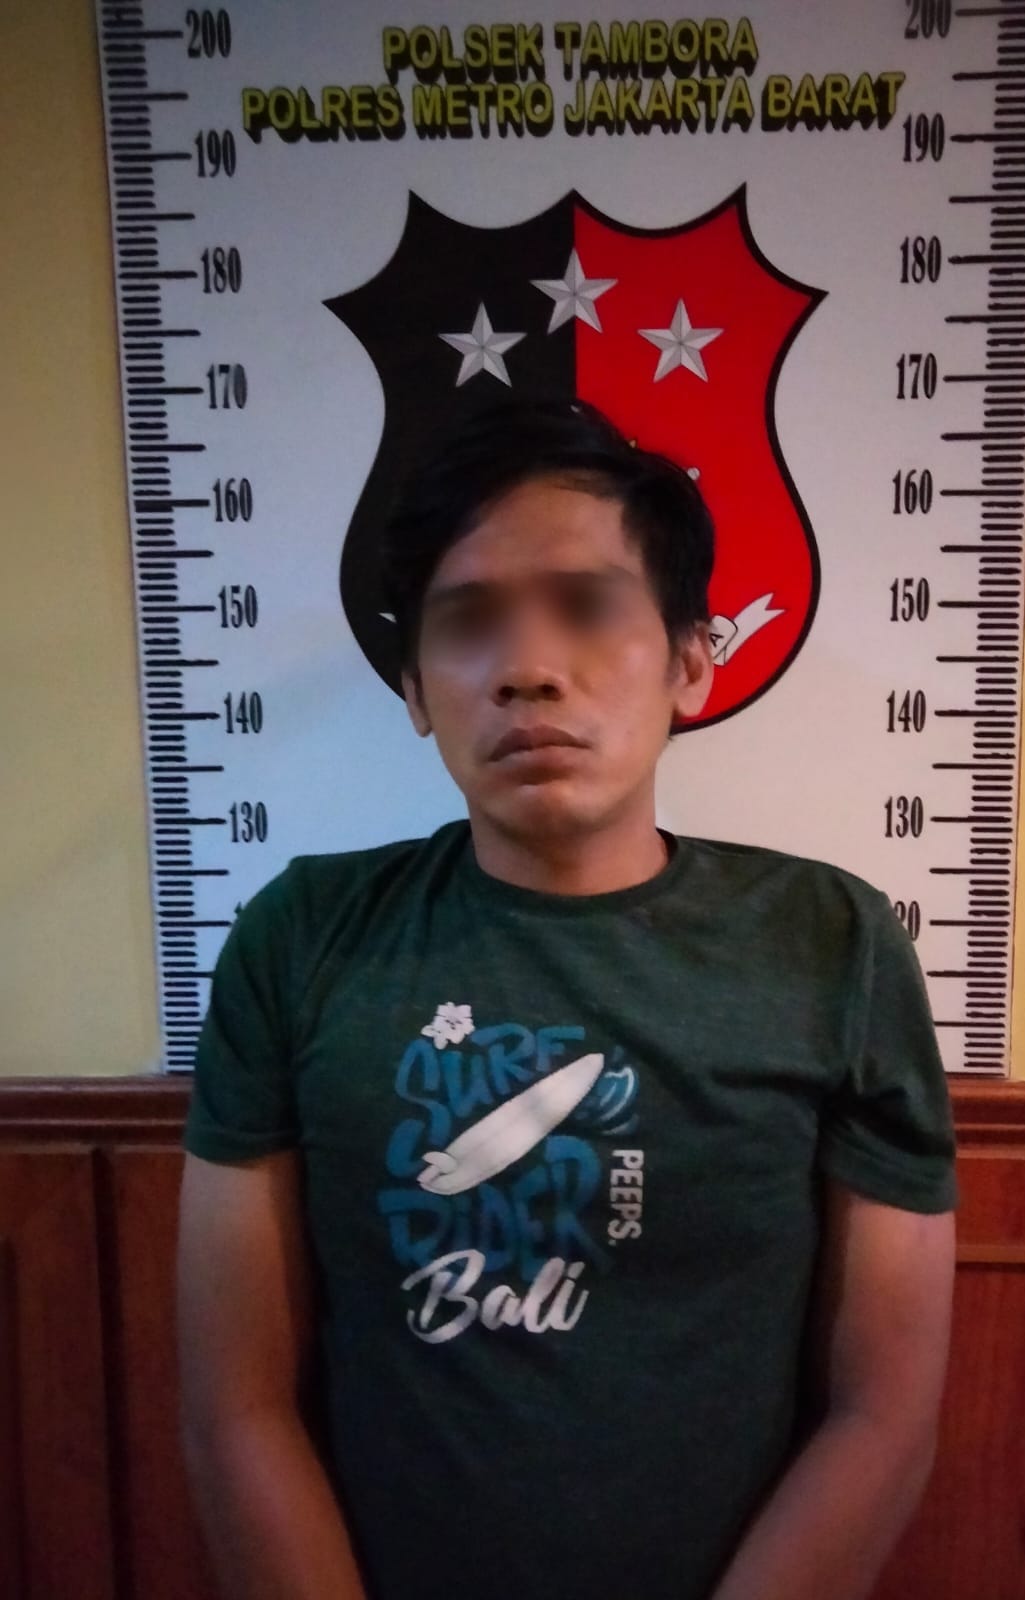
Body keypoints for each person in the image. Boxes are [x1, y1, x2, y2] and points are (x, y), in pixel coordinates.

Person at [176, 398, 957, 1600]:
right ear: (415, 688)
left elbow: (884, 1411)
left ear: (691, 661)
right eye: (468, 622)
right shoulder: (301, 937)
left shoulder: (832, 943)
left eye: (587, 606)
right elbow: (235, 1404)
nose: (528, 669)